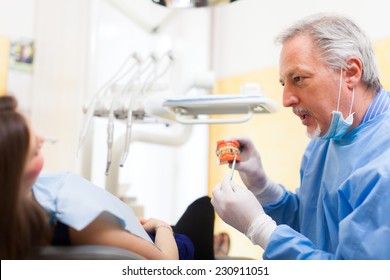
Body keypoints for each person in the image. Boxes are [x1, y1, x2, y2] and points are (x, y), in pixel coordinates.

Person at [211, 13, 390, 259]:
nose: (286, 100)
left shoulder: (384, 166)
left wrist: (260, 229)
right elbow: (313, 225)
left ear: (350, 72)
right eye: (284, 83)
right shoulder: (325, 138)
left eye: (298, 79)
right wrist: (263, 187)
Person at [0, 95, 215, 260]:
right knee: (204, 205)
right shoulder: (78, 223)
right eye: (35, 153)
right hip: (178, 253)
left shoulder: (14, 217)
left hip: (136, 237)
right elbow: (166, 265)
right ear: (17, 172)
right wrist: (161, 226)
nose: (41, 139)